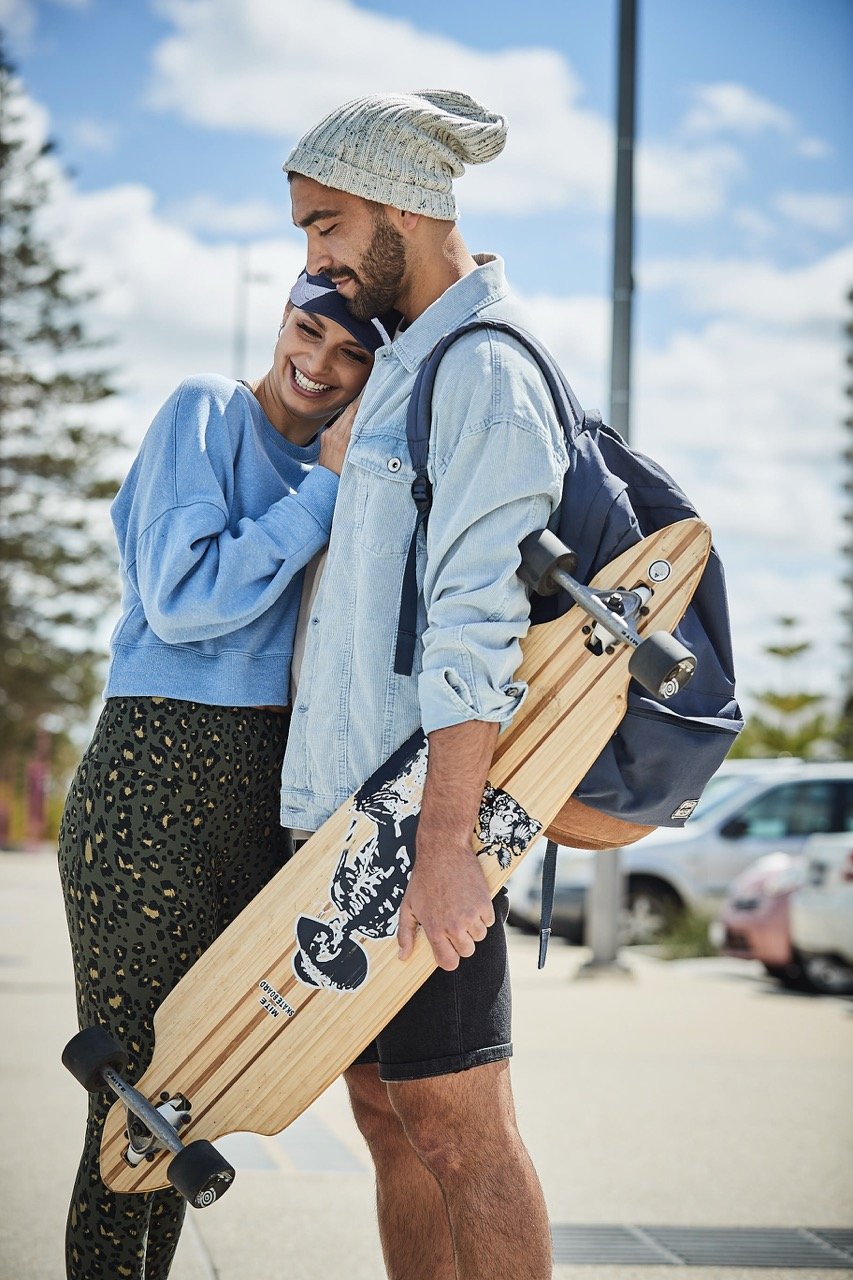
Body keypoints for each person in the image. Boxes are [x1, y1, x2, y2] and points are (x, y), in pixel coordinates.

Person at [57, 270, 397, 1280]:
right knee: (132, 1105)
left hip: (260, 791)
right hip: (149, 773)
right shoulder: (206, 408)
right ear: (281, 319)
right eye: (308, 332)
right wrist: (324, 496)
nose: (319, 366)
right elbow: (182, 595)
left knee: (192, 1092)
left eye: (350, 356)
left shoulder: (349, 469)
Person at [281, 91, 567, 1280]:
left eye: (328, 224)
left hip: (416, 820)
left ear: (408, 202)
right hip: (343, 813)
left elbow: (473, 621)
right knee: (387, 1119)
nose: (316, 258)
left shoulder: (482, 369)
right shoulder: (402, 367)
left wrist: (448, 842)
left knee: (459, 1127)